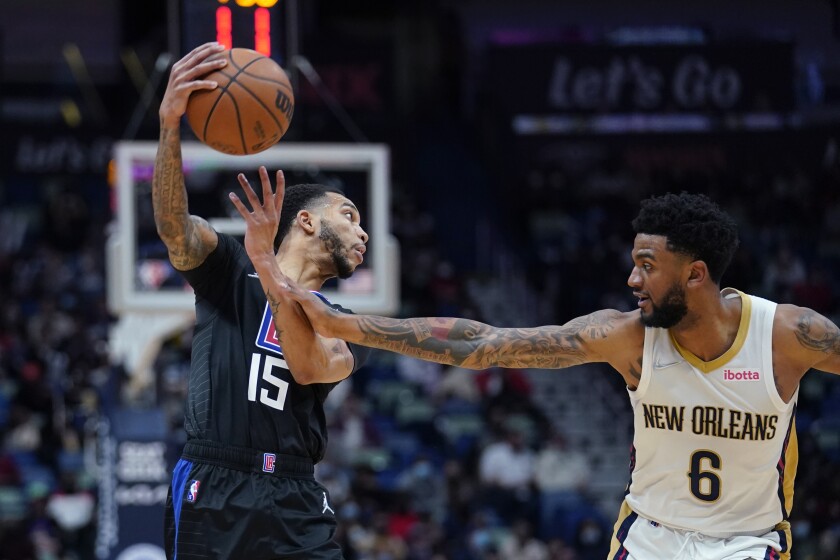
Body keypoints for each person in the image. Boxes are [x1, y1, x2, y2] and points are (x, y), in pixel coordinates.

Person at [241, 190, 840, 560]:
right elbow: (486, 346)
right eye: (634, 264)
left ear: (696, 275)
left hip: (745, 544)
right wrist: (346, 326)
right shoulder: (627, 336)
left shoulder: (787, 335)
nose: (632, 281)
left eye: (647, 267)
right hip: (649, 538)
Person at [155, 42, 371, 559]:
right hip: (214, 481)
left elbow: (308, 364)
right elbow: (173, 230)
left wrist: (270, 267)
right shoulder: (231, 271)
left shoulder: (341, 322)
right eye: (349, 215)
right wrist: (168, 125)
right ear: (306, 220)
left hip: (294, 495)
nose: (362, 232)